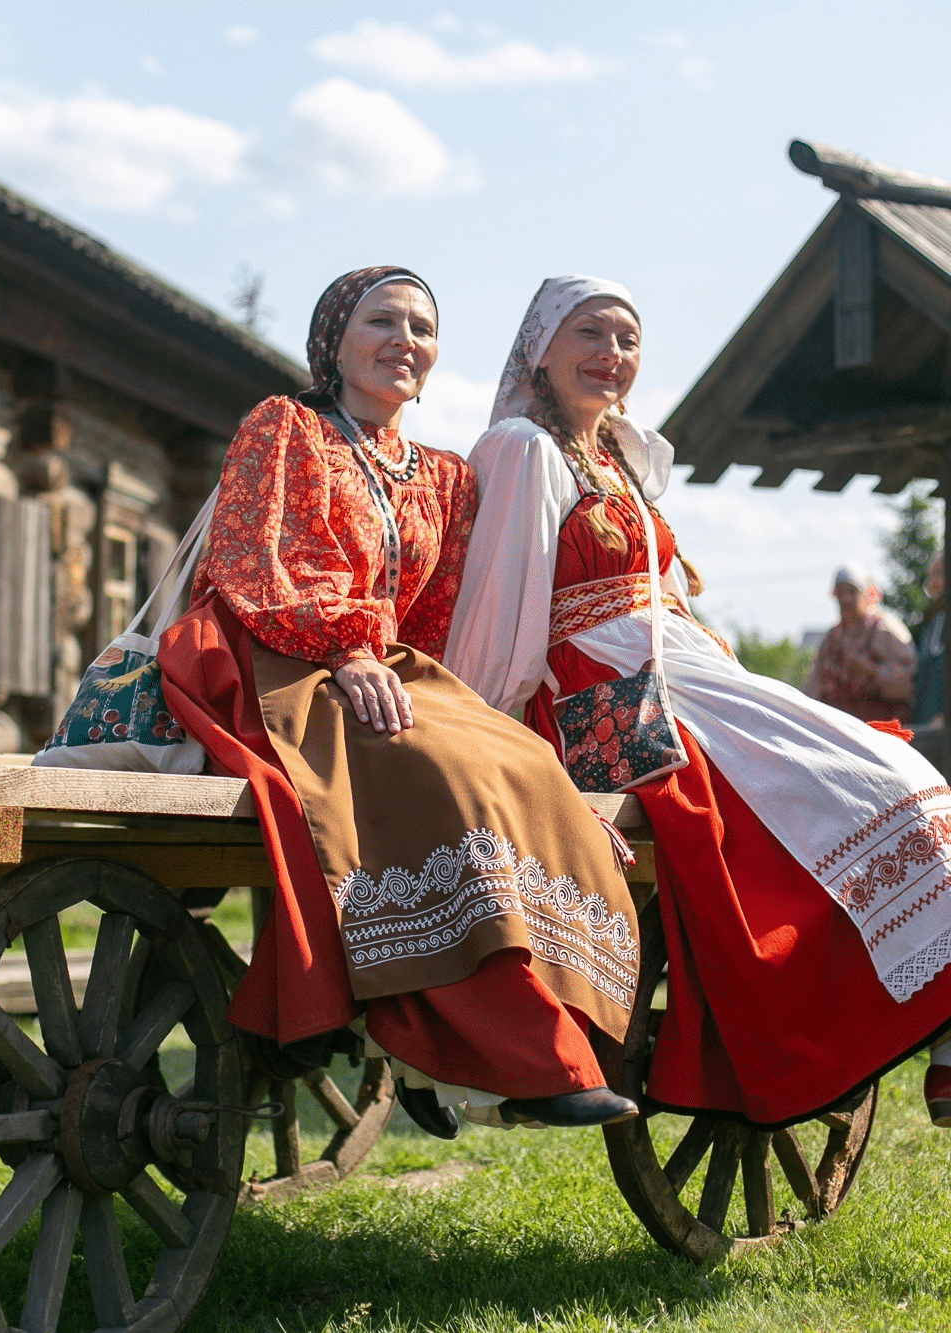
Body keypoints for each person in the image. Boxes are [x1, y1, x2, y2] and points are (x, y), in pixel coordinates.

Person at [445, 276, 951, 1133]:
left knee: (898, 770)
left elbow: (662, 597)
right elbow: (498, 609)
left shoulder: (619, 459)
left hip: (674, 670)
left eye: (626, 339)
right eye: (589, 333)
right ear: (541, 347)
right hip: (597, 699)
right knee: (838, 786)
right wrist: (484, 739)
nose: (611, 354)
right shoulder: (524, 447)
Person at [156, 267, 641, 1140]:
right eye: (382, 320)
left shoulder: (444, 477)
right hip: (265, 654)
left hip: (379, 663)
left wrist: (434, 690)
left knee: (518, 760)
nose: (404, 340)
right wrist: (344, 647)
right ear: (334, 341)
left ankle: (497, 1026)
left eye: (422, 326)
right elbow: (246, 564)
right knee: (429, 767)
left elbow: (435, 614)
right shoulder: (286, 428)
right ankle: (505, 1047)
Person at [804, 565, 917, 724]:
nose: (846, 599)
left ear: (867, 594)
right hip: (839, 730)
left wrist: (872, 671)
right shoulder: (830, 639)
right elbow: (813, 687)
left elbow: (911, 682)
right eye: (841, 592)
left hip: (879, 731)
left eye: (852, 592)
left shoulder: (885, 629)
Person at [911, 552, 947, 729]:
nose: (931, 583)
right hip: (927, 726)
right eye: (930, 576)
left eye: (939, 574)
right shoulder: (931, 622)